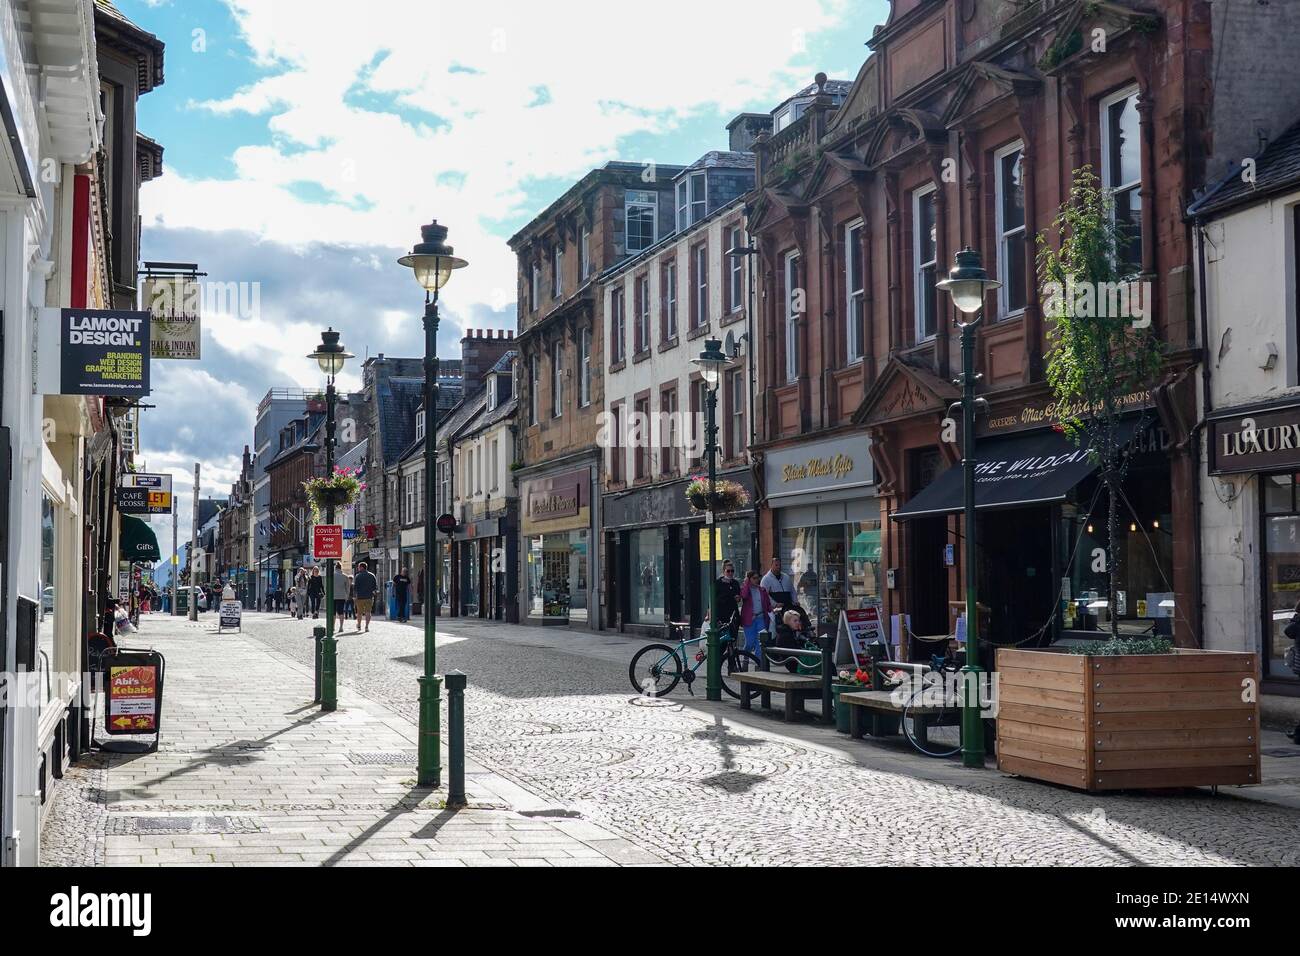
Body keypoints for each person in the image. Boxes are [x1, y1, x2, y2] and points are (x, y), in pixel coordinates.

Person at [739, 570, 773, 658]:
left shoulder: (762, 589)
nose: (757, 580)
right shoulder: (745, 589)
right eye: (754, 578)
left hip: (761, 618)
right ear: (749, 579)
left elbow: (767, 603)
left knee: (760, 643)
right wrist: (746, 583)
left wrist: (771, 610)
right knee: (750, 642)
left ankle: (759, 663)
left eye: (758, 578)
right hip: (749, 619)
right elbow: (744, 596)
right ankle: (745, 659)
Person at [714, 560, 742, 648]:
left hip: (733, 616)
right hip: (722, 616)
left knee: (732, 641)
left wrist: (738, 598)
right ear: (724, 571)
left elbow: (738, 596)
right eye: (728, 571)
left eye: (732, 571)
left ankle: (732, 660)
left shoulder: (735, 583)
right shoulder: (718, 583)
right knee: (722, 643)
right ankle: (720, 659)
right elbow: (714, 599)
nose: (730, 573)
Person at [353, 561, 378, 632]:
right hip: (369, 597)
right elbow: (375, 586)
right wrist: (374, 592)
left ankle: (359, 625)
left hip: (360, 597)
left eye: (358, 567)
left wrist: (354, 596)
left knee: (359, 612)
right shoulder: (372, 575)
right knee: (368, 612)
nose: (358, 568)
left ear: (362, 567)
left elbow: (355, 587)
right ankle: (366, 626)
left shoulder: (358, 576)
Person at [332, 564, 349, 634]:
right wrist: (347, 596)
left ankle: (332, 627)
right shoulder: (345, 576)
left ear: (335, 568)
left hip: (332, 596)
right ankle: (341, 627)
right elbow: (347, 588)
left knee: (333, 613)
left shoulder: (332, 576)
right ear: (341, 568)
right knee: (341, 612)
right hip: (341, 596)